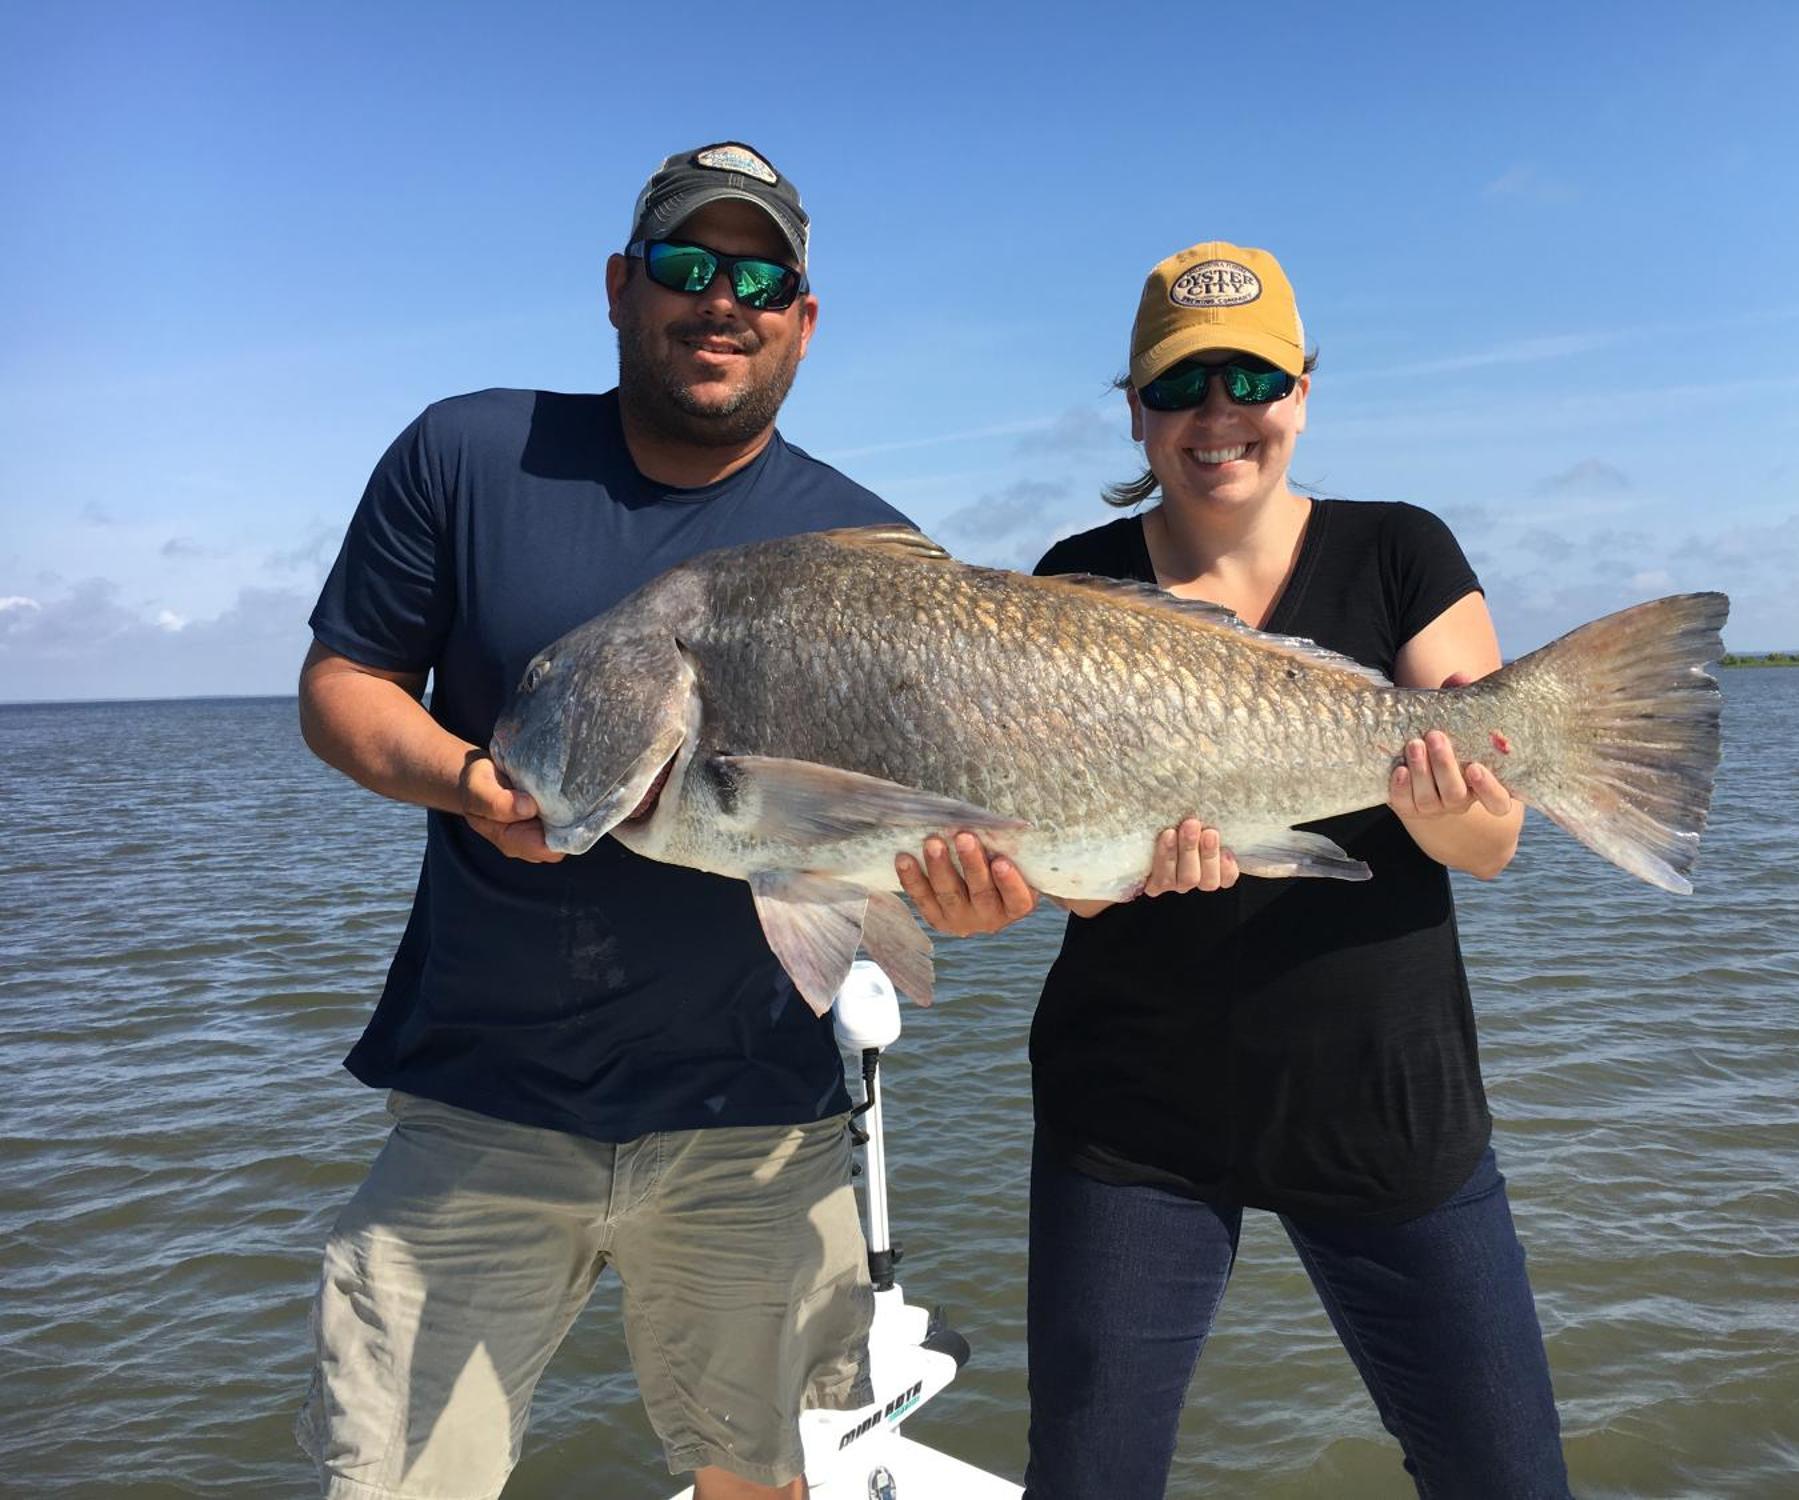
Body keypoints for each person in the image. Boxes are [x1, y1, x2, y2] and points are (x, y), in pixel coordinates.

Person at [294, 141, 971, 1500]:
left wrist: (957, 891)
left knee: (756, 1477)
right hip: (480, 1107)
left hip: (755, 1125)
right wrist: (463, 779)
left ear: (804, 318)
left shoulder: (877, 548)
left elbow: (910, 834)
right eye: (684, 264)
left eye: (761, 277)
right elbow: (345, 683)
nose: (721, 301)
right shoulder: (471, 453)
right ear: (620, 285)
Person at [904, 243, 1572, 1498]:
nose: (1216, 414)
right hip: (1132, 1120)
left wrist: (1433, 800)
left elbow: (1492, 844)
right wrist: (998, 887)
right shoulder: (1068, 582)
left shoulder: (1398, 550)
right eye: (1179, 384)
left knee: (1506, 1477)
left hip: (1386, 1105)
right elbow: (1077, 883)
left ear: (1303, 392)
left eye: (1249, 376)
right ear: (1135, 412)